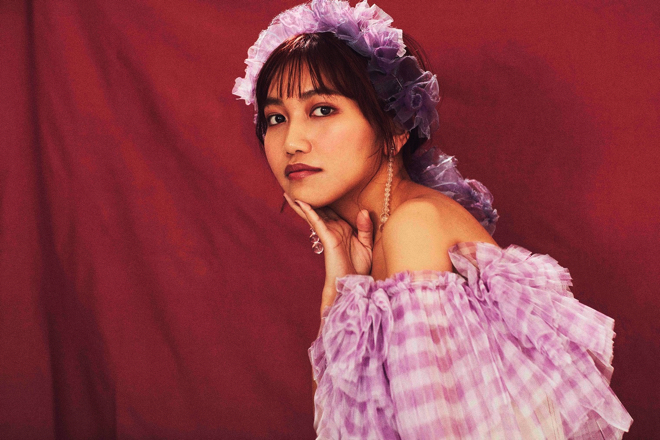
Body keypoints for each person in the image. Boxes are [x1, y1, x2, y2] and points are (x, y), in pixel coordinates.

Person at [233, 0, 633, 438]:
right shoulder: (382, 234)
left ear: (395, 129)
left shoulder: (414, 227)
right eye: (275, 118)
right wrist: (338, 286)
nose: (292, 142)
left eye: (322, 110)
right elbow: (340, 425)